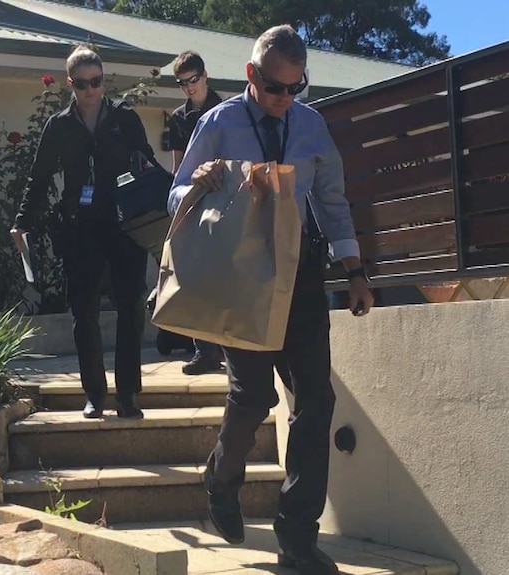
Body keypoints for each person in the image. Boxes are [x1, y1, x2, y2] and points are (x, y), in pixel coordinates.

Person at [169, 25, 374, 575]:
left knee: (316, 400)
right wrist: (199, 183)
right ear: (253, 76)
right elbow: (176, 194)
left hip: (302, 273)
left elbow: (331, 200)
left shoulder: (311, 126)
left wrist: (354, 269)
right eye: (278, 88)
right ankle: (221, 477)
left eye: (297, 87)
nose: (287, 99)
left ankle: (298, 535)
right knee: (255, 394)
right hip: (243, 276)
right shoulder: (218, 122)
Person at [11, 45, 155, 420]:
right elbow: (39, 176)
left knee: (130, 307)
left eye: (98, 81)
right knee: (84, 311)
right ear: (70, 83)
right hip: (81, 225)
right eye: (84, 84)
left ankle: (127, 395)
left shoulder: (124, 118)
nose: (92, 90)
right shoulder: (59, 125)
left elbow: (147, 163)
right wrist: (23, 221)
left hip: (124, 224)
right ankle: (94, 394)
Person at [169, 50, 226, 376]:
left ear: (204, 76)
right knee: (192, 277)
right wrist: (177, 202)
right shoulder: (179, 117)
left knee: (224, 278)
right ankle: (203, 352)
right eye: (182, 83)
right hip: (194, 199)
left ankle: (229, 350)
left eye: (193, 80)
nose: (189, 87)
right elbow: (179, 167)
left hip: (225, 198)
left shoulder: (226, 109)